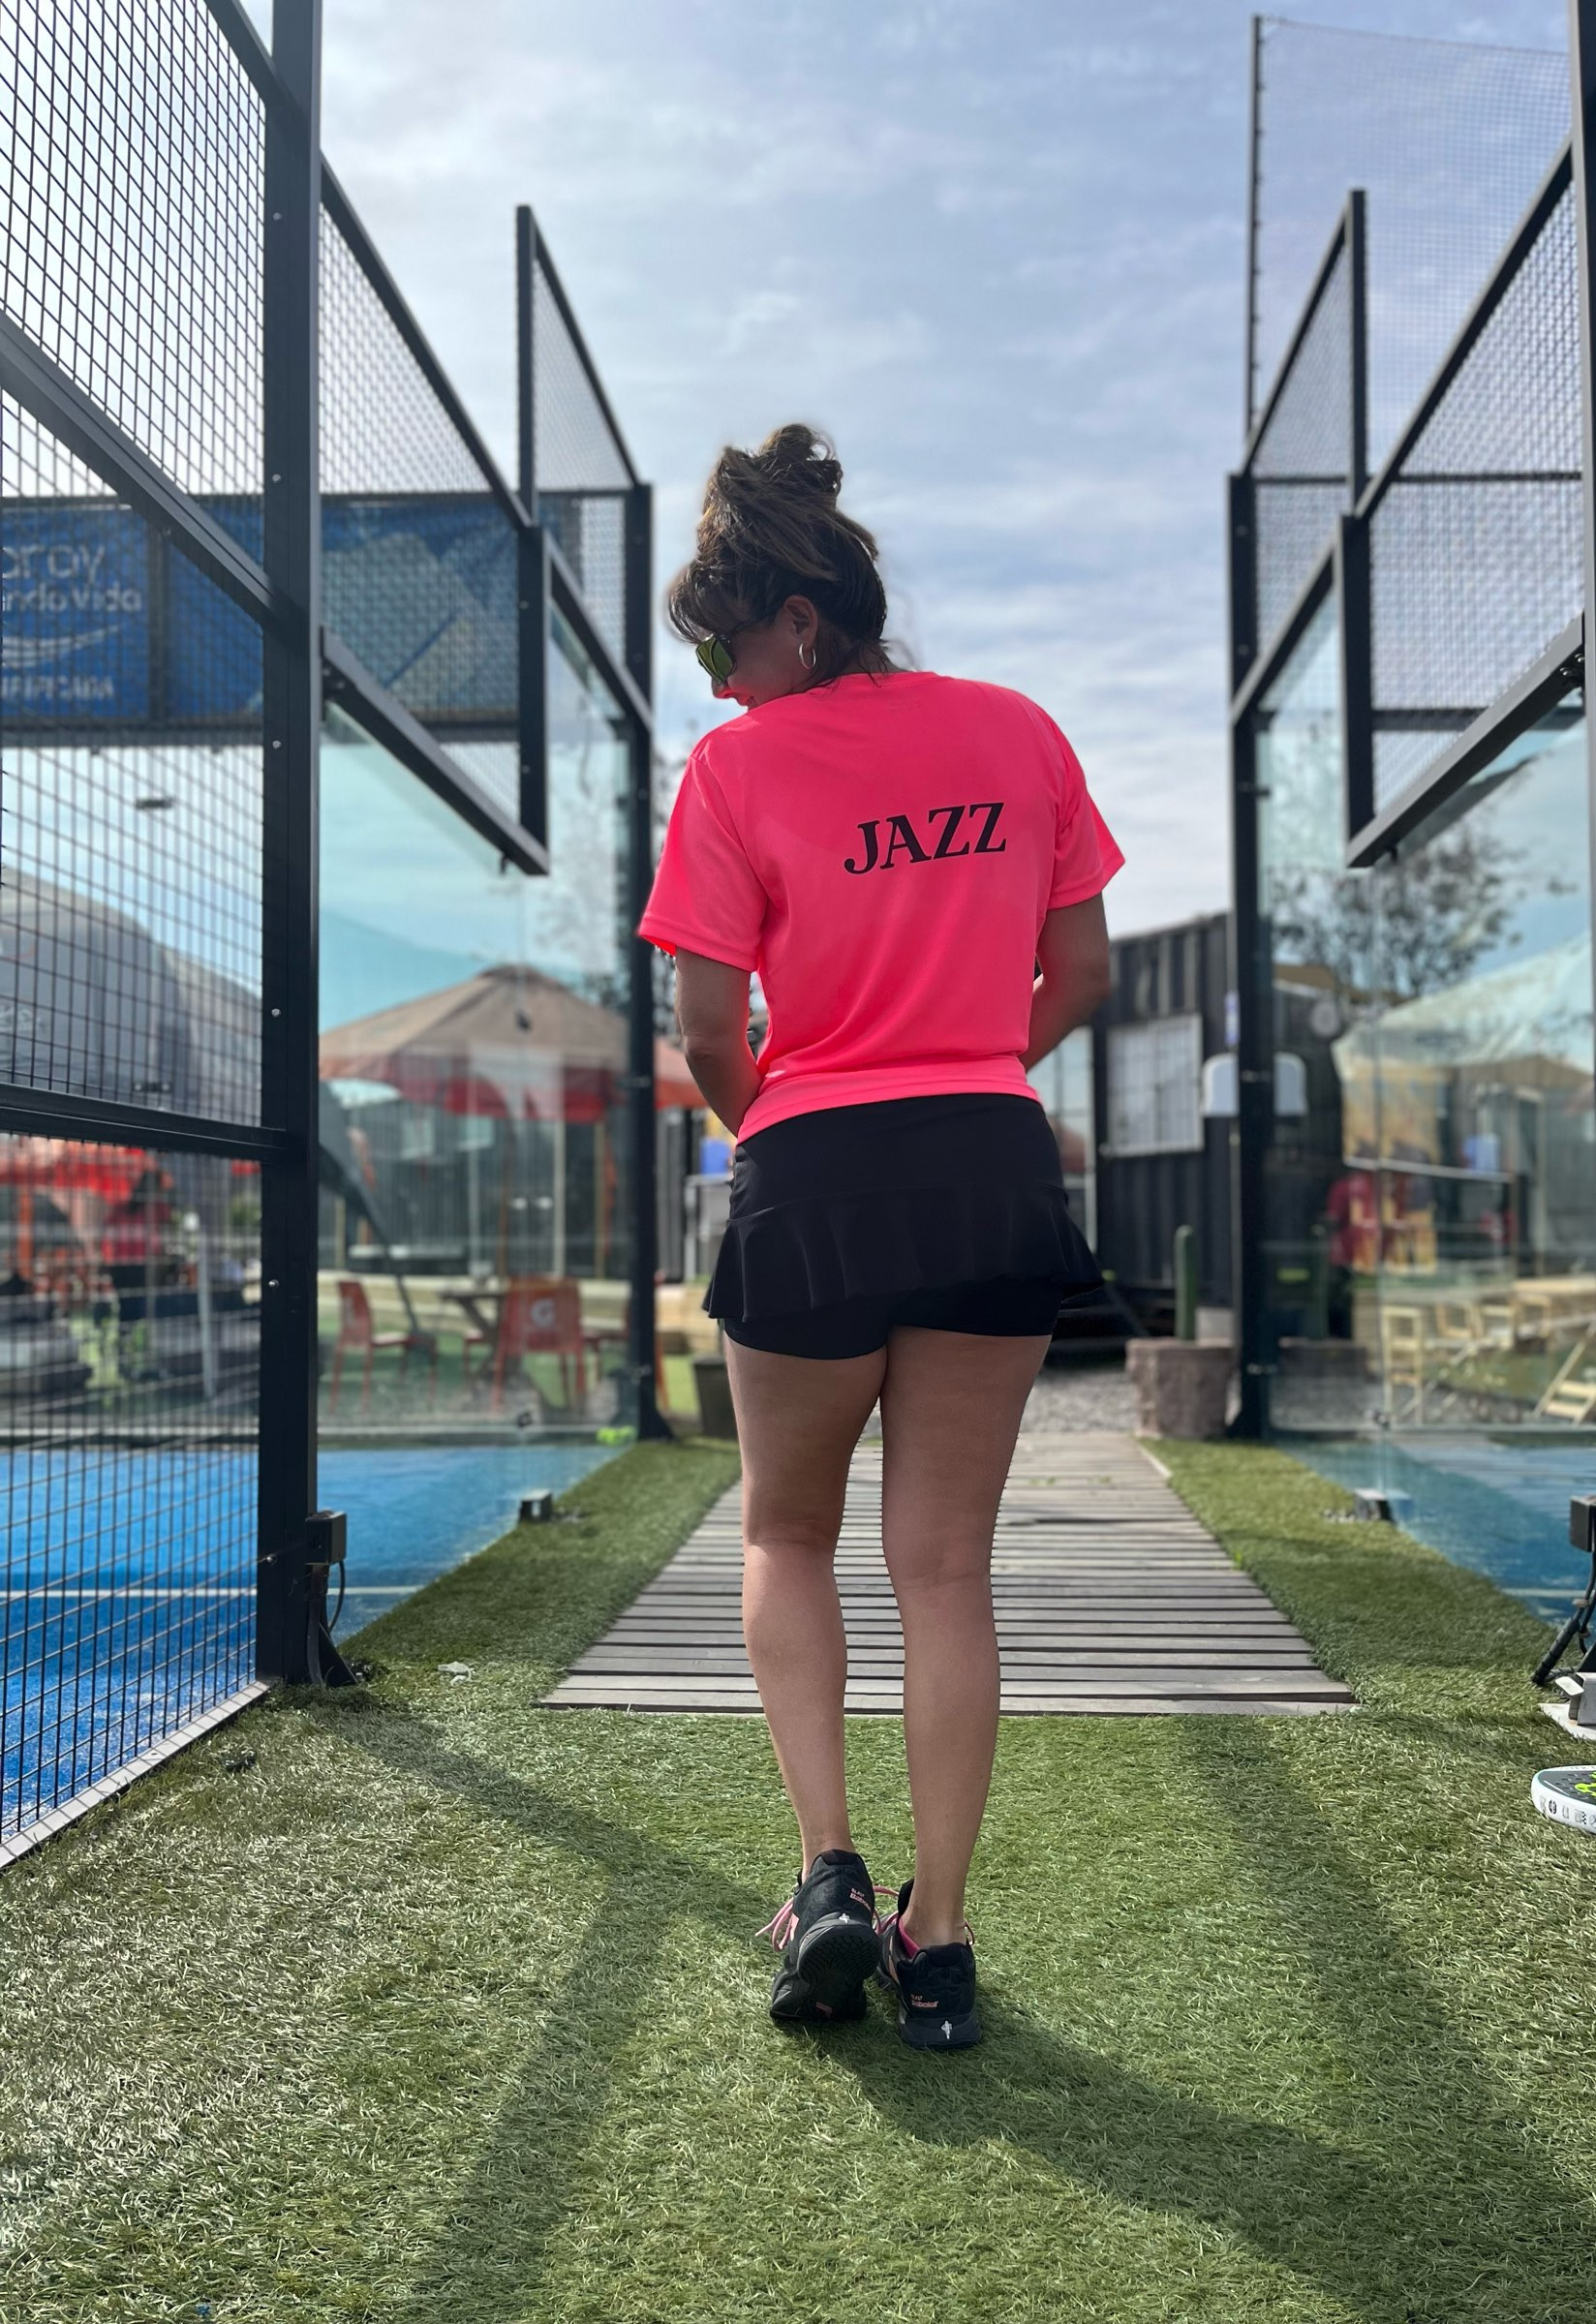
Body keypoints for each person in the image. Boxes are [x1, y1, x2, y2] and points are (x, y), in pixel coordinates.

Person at [640, 424, 1121, 2050]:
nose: (717, 688)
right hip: (989, 1158)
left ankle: (827, 1877)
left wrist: (791, 1127)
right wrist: (964, 1075)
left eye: (722, 649)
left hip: (810, 1164)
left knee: (787, 1535)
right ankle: (945, 1936)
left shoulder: (735, 773)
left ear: (797, 618)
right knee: (946, 1569)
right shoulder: (1018, 731)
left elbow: (707, 1033)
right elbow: (1083, 978)